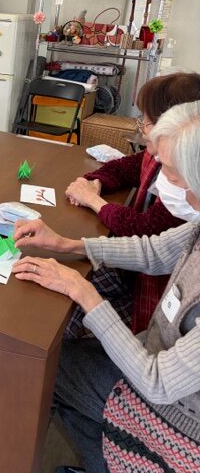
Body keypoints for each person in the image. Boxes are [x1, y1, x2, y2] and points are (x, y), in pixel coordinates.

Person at [0, 100, 200, 473]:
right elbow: (156, 251)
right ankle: (108, 461)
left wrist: (85, 294)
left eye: (170, 172)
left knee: (39, 364)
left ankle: (3, 465)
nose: (159, 181)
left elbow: (158, 383)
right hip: (160, 362)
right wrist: (68, 244)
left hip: (181, 424)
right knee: (62, 354)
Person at [65, 72, 200, 335]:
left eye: (146, 120)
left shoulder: (185, 190)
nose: (142, 127)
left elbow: (146, 232)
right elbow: (127, 166)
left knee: (63, 318)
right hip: (137, 268)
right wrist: (96, 182)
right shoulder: (165, 160)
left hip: (151, 291)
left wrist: (93, 201)